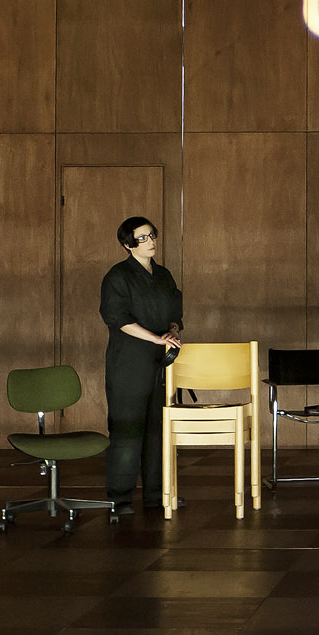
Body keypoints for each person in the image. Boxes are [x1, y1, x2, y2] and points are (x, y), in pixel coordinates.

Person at [100, 217, 182, 513]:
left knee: (157, 431)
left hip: (160, 365)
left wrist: (172, 332)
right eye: (142, 238)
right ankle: (120, 498)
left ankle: (157, 494)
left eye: (152, 235)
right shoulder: (118, 276)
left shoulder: (164, 275)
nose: (150, 242)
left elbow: (175, 313)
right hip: (129, 365)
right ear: (127, 244)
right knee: (127, 432)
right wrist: (156, 338)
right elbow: (118, 320)